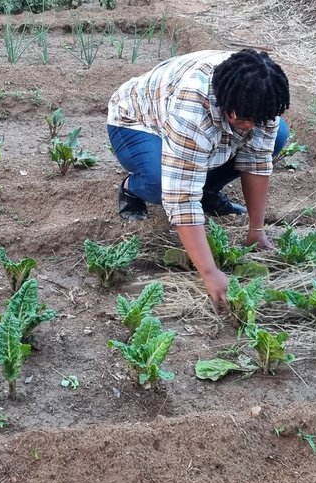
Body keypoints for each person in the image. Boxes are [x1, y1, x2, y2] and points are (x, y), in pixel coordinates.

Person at [106, 48, 291, 309]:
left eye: (255, 119)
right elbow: (180, 196)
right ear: (227, 101)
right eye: (244, 118)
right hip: (136, 122)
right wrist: (209, 272)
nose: (250, 124)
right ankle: (131, 188)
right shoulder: (192, 110)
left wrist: (256, 230)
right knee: (161, 184)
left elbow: (257, 163)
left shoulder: (261, 99)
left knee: (279, 135)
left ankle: (207, 192)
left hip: (188, 123)